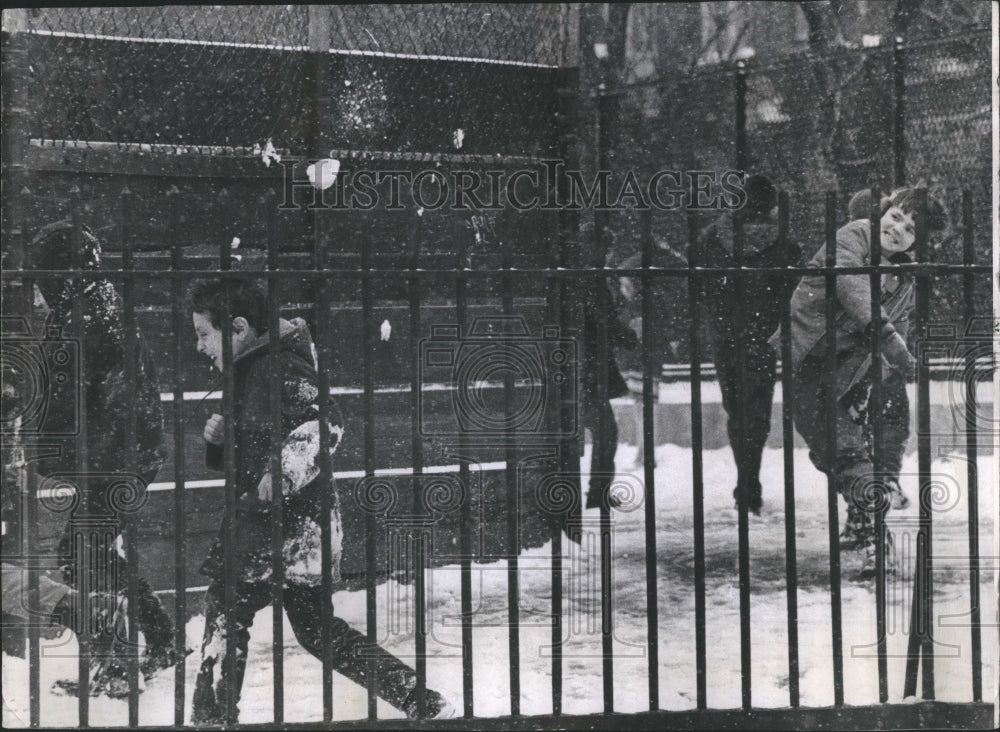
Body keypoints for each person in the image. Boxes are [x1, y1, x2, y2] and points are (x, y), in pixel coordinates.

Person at [188, 280, 454, 724]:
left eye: (202, 333)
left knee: (225, 621)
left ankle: (211, 720)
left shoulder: (276, 367)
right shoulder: (255, 367)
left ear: (237, 327)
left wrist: (284, 470)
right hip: (297, 527)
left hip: (280, 528)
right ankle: (421, 701)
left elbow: (325, 422)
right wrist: (222, 439)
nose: (199, 346)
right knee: (317, 633)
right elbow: (263, 437)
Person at [16, 221, 177, 691]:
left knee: (86, 554)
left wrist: (43, 441)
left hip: (115, 458)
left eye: (44, 273)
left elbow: (66, 395)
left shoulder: (90, 315)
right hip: (116, 454)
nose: (40, 287)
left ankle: (122, 661)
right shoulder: (86, 307)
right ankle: (158, 640)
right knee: (90, 553)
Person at [775, 186, 944, 577]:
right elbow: (854, 290)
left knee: (851, 451)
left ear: (919, 243)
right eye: (897, 216)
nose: (898, 228)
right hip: (809, 362)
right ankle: (871, 502)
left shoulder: (903, 277)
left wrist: (874, 380)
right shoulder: (853, 235)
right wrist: (896, 349)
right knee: (828, 451)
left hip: (851, 368)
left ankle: (873, 535)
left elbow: (896, 326)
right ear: (884, 211)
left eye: (911, 228)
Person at [694, 174, 801, 515]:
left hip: (725, 334)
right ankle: (749, 481)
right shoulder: (784, 245)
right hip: (763, 335)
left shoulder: (712, 238)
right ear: (770, 206)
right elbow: (794, 293)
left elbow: (698, 285)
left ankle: (746, 478)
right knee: (757, 412)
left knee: (735, 409)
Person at [579, 277, 641, 512]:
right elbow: (607, 324)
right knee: (606, 432)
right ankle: (598, 491)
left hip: (567, 367)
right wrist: (631, 335)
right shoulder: (591, 283)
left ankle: (597, 490)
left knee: (600, 430)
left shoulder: (569, 277)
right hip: (588, 370)